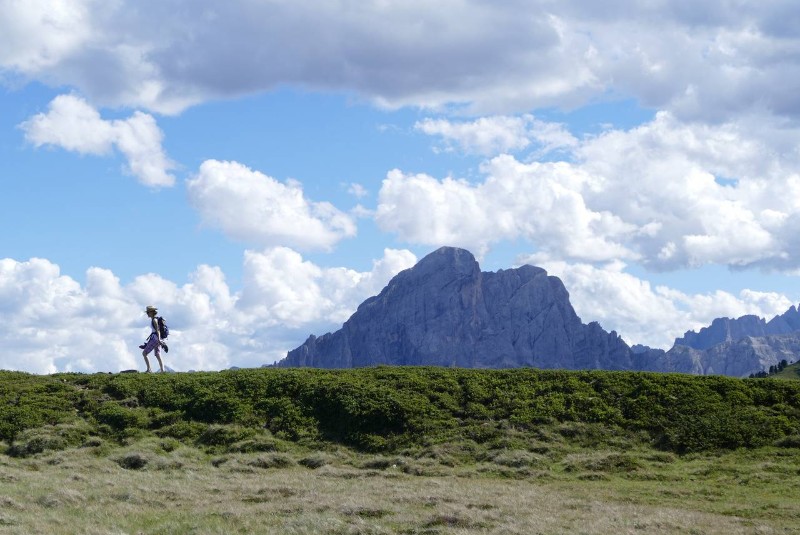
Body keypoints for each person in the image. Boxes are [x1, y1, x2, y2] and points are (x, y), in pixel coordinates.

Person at [139, 305, 166, 373]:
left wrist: (159, 339)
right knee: (157, 354)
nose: (147, 314)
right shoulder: (155, 319)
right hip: (157, 338)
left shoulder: (154, 320)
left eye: (148, 312)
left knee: (144, 353)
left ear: (152, 312)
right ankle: (162, 371)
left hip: (155, 339)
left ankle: (149, 369)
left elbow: (158, 330)